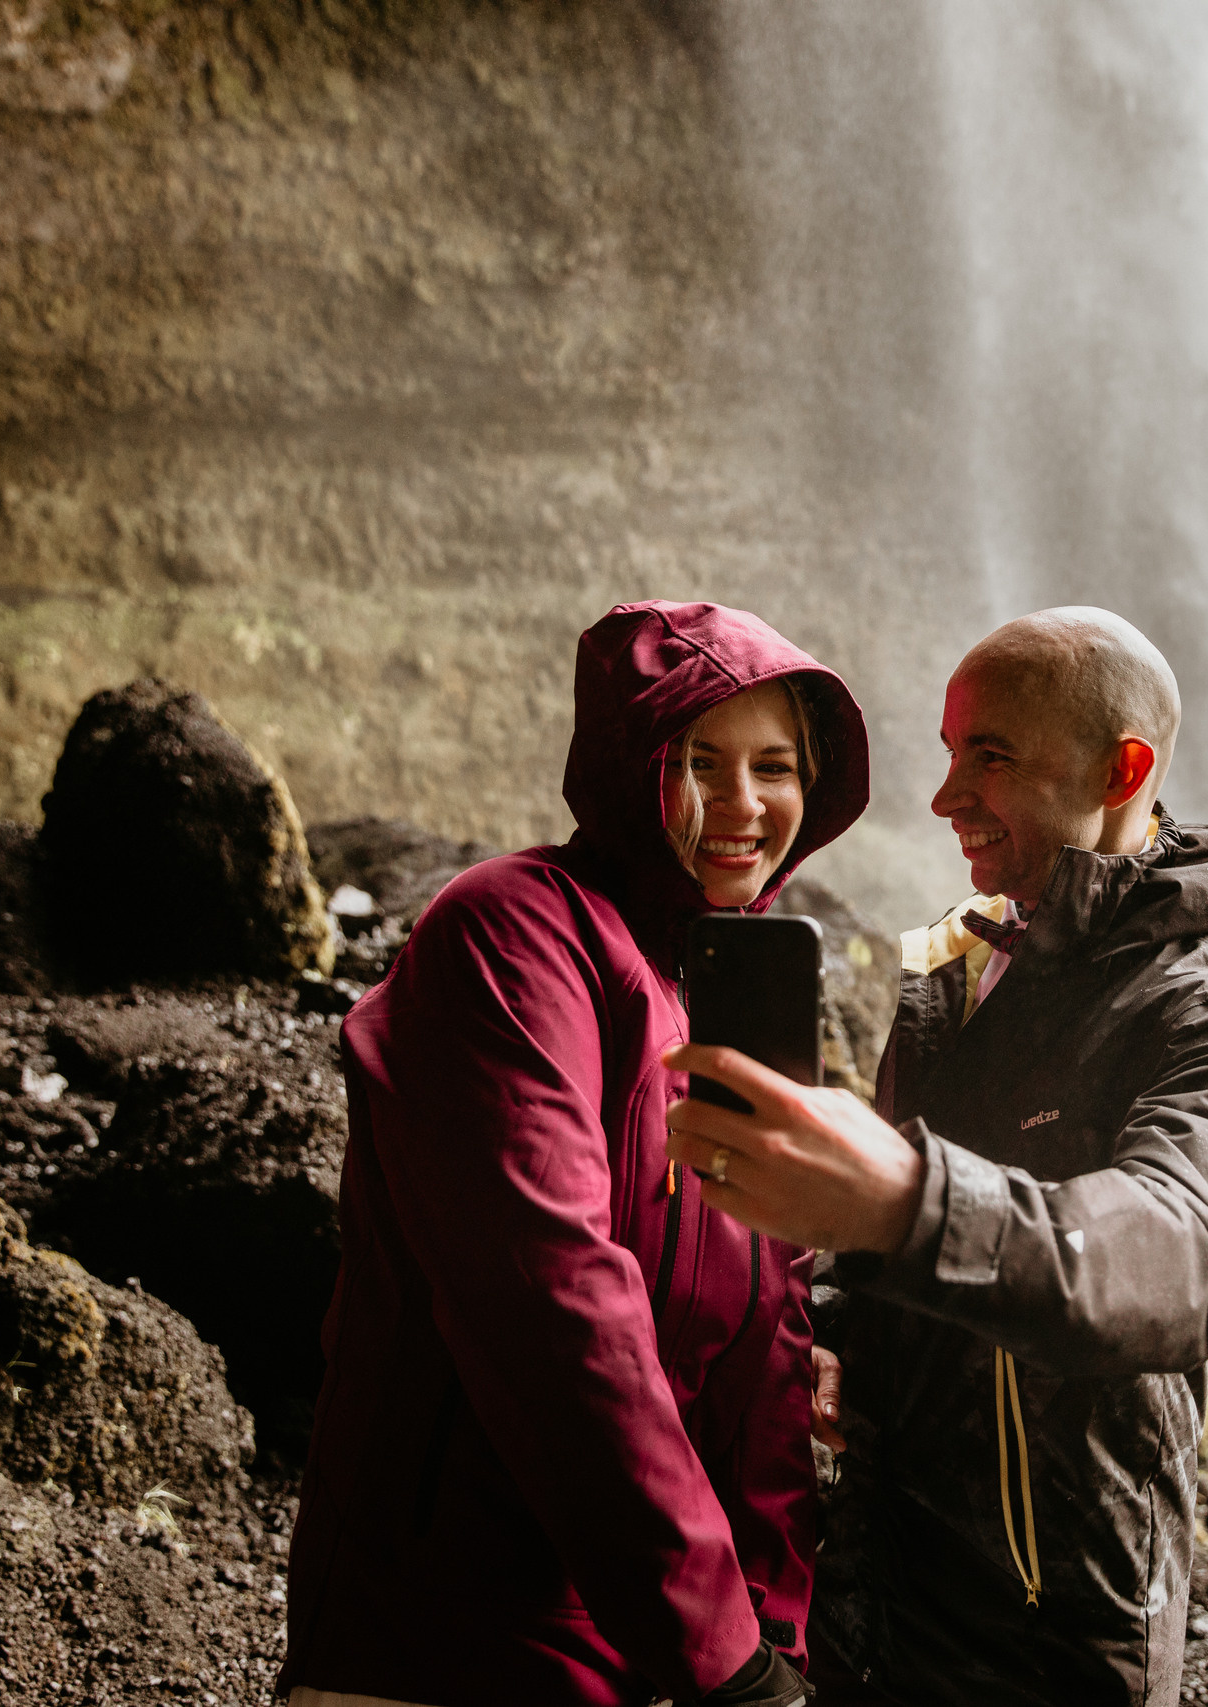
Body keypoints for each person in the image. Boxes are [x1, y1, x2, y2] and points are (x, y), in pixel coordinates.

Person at [664, 607, 1208, 1707]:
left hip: (1054, 1641)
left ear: (1123, 769)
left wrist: (903, 1200)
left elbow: (1179, 1257)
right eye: (951, 751)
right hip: (873, 1595)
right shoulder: (956, 975)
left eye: (989, 757)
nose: (945, 796)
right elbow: (885, 1264)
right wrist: (829, 1331)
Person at [280, 600, 869, 1707]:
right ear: (627, 766)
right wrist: (727, 1662)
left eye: (778, 767)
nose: (744, 806)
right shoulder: (509, 936)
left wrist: (768, 1631)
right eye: (699, 761)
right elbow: (554, 1307)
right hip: (455, 1638)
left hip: (658, 1642)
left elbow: (764, 1340)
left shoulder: (727, 987)